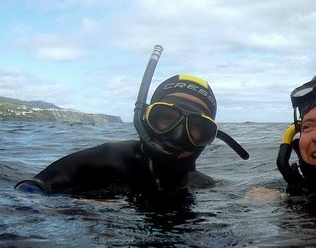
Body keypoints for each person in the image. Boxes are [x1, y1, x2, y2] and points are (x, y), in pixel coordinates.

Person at [15, 74, 247, 197]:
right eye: (166, 117)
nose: (177, 136)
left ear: (208, 136)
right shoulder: (101, 161)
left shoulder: (202, 185)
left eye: (196, 126)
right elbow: (28, 194)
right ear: (145, 118)